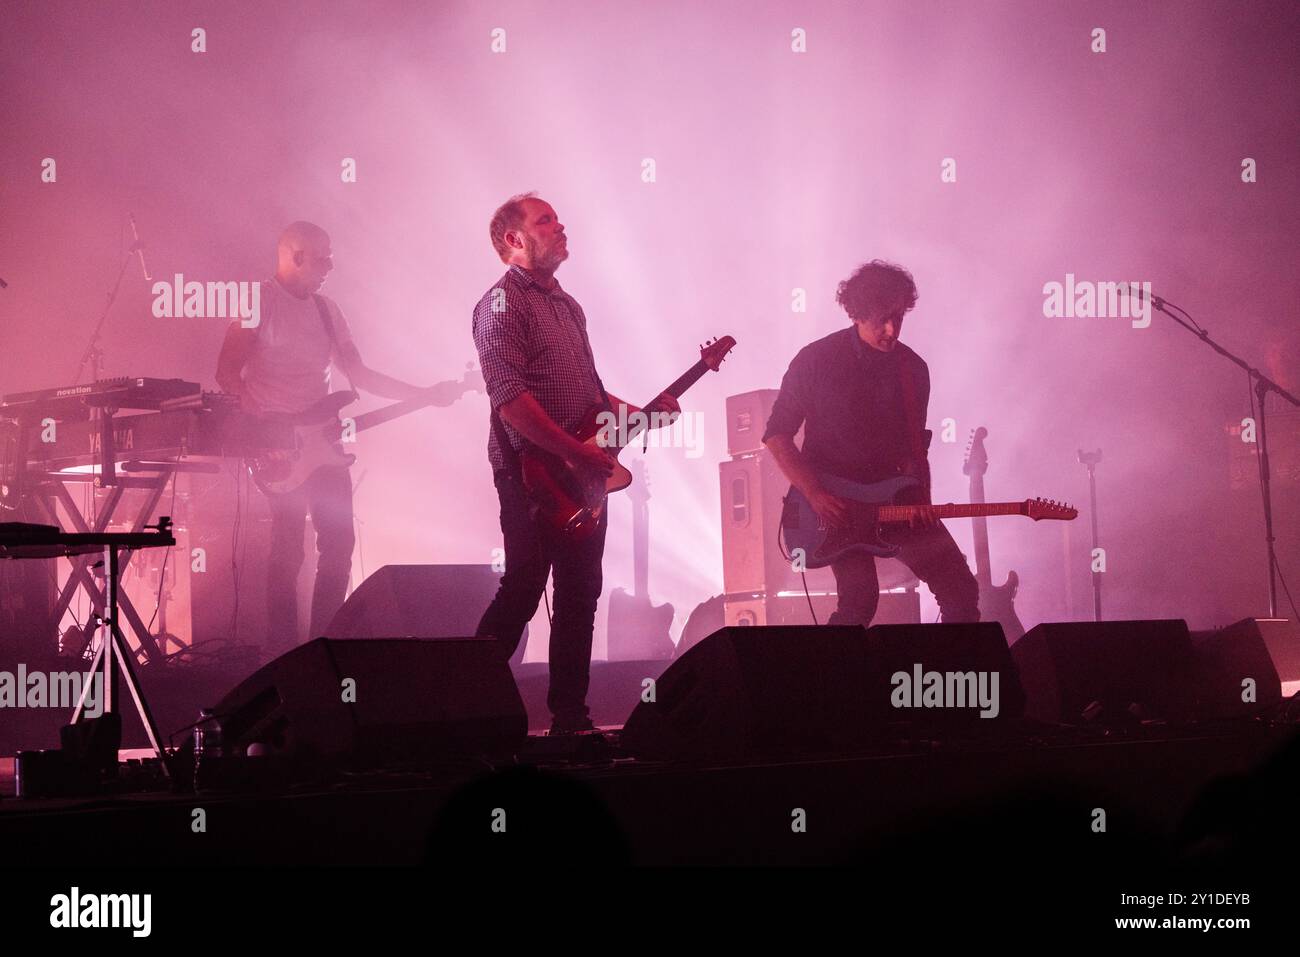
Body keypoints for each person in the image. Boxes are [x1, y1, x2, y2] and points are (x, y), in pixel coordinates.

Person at [472, 193, 679, 734]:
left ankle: (571, 716)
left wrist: (644, 415)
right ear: (515, 240)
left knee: (581, 588)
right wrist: (572, 450)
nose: (561, 226)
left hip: (582, 471)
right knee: (523, 584)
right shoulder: (500, 305)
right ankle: (459, 703)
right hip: (530, 472)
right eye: (546, 220)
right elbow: (510, 398)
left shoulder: (568, 306)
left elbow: (592, 396)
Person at [216, 221, 445, 651]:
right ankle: (282, 653)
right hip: (278, 446)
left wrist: (423, 395)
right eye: (322, 259)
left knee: (339, 543)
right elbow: (227, 373)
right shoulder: (257, 302)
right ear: (294, 256)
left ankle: (324, 644)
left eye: (332, 259)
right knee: (288, 550)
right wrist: (262, 423)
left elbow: (357, 373)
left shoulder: (327, 310)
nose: (330, 268)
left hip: (324, 443)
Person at [762, 259, 980, 626]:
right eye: (882, 318)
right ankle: (830, 682)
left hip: (896, 500)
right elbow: (777, 435)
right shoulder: (815, 360)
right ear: (858, 314)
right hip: (837, 507)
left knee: (960, 590)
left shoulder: (913, 369)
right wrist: (815, 493)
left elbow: (915, 450)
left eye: (898, 316)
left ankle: (943, 679)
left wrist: (921, 498)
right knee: (859, 601)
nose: (892, 330)